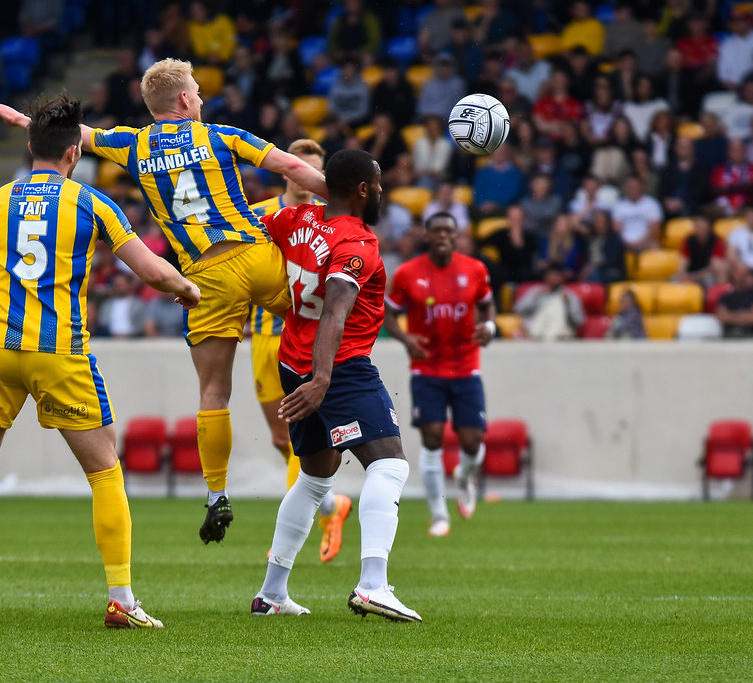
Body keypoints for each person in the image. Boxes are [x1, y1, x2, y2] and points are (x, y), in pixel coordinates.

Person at [0, 59, 328, 545]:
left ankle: (216, 495)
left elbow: (76, 135)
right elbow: (291, 167)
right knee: (326, 326)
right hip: (256, 255)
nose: (202, 99)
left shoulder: (134, 143)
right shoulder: (222, 135)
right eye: (199, 93)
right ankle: (344, 408)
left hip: (207, 277)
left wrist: (23, 120)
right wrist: (347, 202)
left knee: (214, 392)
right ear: (185, 100)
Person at [0, 91, 200, 629]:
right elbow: (152, 271)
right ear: (76, 153)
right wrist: (186, 289)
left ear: (31, 145)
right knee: (105, 473)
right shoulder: (92, 204)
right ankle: (121, 597)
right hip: (59, 354)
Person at [249, 149, 420, 622]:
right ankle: (373, 585)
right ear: (363, 190)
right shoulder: (358, 244)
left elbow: (251, 239)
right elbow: (335, 311)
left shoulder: (291, 218)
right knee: (390, 466)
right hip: (337, 368)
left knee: (315, 477)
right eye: (379, 184)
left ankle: (271, 594)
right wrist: (323, 379)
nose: (382, 191)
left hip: (290, 360)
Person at [248, 139, 351, 564]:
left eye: (318, 173)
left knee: (297, 438)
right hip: (263, 336)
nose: (310, 180)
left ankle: (291, 530)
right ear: (286, 171)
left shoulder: (333, 220)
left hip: (306, 340)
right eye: (301, 170)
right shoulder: (259, 215)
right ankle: (333, 506)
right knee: (280, 437)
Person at [383, 212, 495, 538]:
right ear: (427, 236)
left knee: (472, 441)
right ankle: (438, 514)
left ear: (456, 236)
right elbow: (389, 314)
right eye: (437, 231)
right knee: (432, 437)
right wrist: (405, 338)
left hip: (465, 366)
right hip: (427, 367)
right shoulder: (407, 273)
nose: (443, 235)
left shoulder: (475, 270)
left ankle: (464, 476)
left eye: (449, 230)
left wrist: (489, 326)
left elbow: (488, 306)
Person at [513, 262, 585, 340]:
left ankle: (551, 335)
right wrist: (537, 296)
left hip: (561, 336)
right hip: (535, 332)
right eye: (551, 275)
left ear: (563, 278)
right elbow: (517, 310)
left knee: (558, 303)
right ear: (545, 276)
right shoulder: (536, 292)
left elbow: (579, 321)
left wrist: (568, 303)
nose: (554, 278)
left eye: (557, 275)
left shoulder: (569, 296)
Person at [611, 175, 663, 252]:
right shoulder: (620, 205)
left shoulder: (652, 204)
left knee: (655, 247)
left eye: (635, 187)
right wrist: (627, 243)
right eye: (630, 187)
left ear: (641, 187)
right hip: (624, 244)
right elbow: (616, 229)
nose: (632, 190)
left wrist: (640, 243)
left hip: (646, 242)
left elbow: (654, 229)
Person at [679, 215, 726, 287]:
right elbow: (683, 262)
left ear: (708, 226)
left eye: (701, 225)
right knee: (675, 279)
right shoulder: (689, 241)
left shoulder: (717, 241)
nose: (698, 227)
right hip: (691, 273)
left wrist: (693, 277)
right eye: (696, 225)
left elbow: (714, 267)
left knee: (709, 279)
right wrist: (683, 275)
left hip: (706, 274)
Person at [726, 205, 753, 281]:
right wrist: (740, 267)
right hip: (741, 269)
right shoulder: (736, 233)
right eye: (748, 215)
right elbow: (731, 255)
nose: (751, 218)